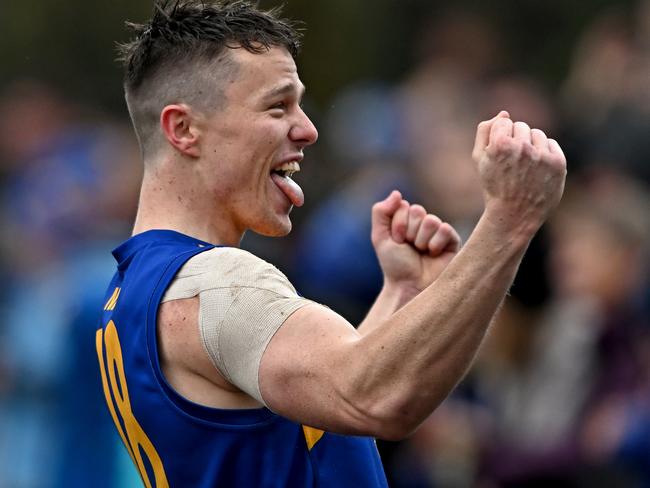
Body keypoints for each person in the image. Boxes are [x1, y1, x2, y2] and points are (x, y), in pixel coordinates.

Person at [94, 1, 567, 486]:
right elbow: (371, 397)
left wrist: (399, 295)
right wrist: (510, 220)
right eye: (277, 106)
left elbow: (323, 395)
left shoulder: (135, 288)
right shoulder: (215, 284)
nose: (308, 129)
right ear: (184, 129)